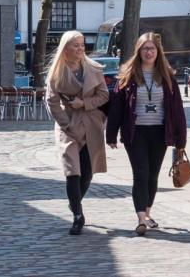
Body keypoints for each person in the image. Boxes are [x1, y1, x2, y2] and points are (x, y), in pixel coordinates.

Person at [107, 33, 187, 235]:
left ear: (158, 52)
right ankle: (141, 218)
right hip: (136, 132)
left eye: (152, 48)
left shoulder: (167, 77)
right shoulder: (128, 77)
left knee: (152, 175)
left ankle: (148, 212)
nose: (149, 52)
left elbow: (177, 110)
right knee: (140, 174)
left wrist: (181, 140)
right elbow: (116, 107)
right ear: (139, 51)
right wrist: (111, 134)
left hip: (160, 132)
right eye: (145, 48)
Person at [45, 30, 109, 236]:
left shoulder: (94, 69)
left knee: (87, 173)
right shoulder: (57, 73)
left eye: (82, 44)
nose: (81, 48)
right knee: (72, 171)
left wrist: (85, 103)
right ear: (65, 49)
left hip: (91, 124)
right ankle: (78, 216)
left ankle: (75, 203)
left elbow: (103, 96)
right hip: (69, 126)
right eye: (76, 45)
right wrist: (66, 124)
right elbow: (52, 102)